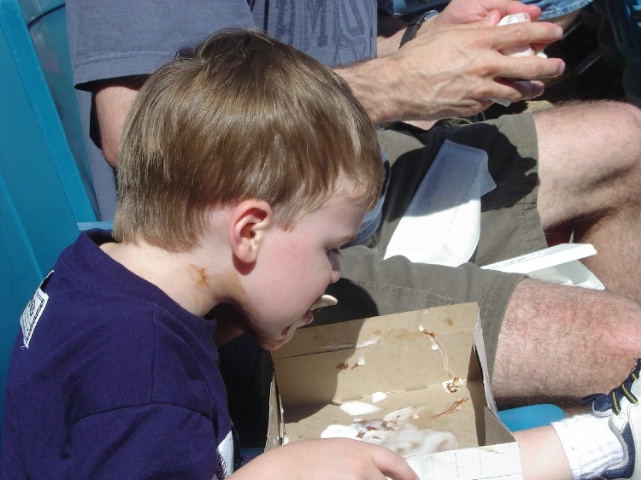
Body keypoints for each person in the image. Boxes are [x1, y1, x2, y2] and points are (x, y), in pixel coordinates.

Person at [2, 29, 639, 480]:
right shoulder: (142, 390)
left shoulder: (100, 274)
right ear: (248, 231)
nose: (336, 274)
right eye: (331, 248)